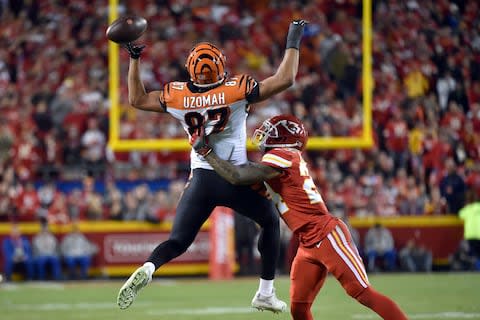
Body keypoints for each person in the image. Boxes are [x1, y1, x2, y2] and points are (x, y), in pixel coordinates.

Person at [116, 20, 307, 313]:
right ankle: (265, 292)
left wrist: (134, 59)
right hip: (234, 175)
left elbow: (137, 99)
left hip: (202, 179)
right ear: (221, 68)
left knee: (178, 240)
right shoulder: (237, 89)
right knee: (268, 221)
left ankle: (150, 266)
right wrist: (293, 38)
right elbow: (285, 79)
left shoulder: (178, 95)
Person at [190, 114, 408, 320]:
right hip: (307, 242)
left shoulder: (282, 156)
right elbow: (239, 180)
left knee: (362, 292)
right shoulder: (276, 162)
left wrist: (207, 152)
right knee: (299, 307)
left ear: (284, 138)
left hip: (325, 234)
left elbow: (238, 176)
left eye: (271, 131)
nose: (264, 134)